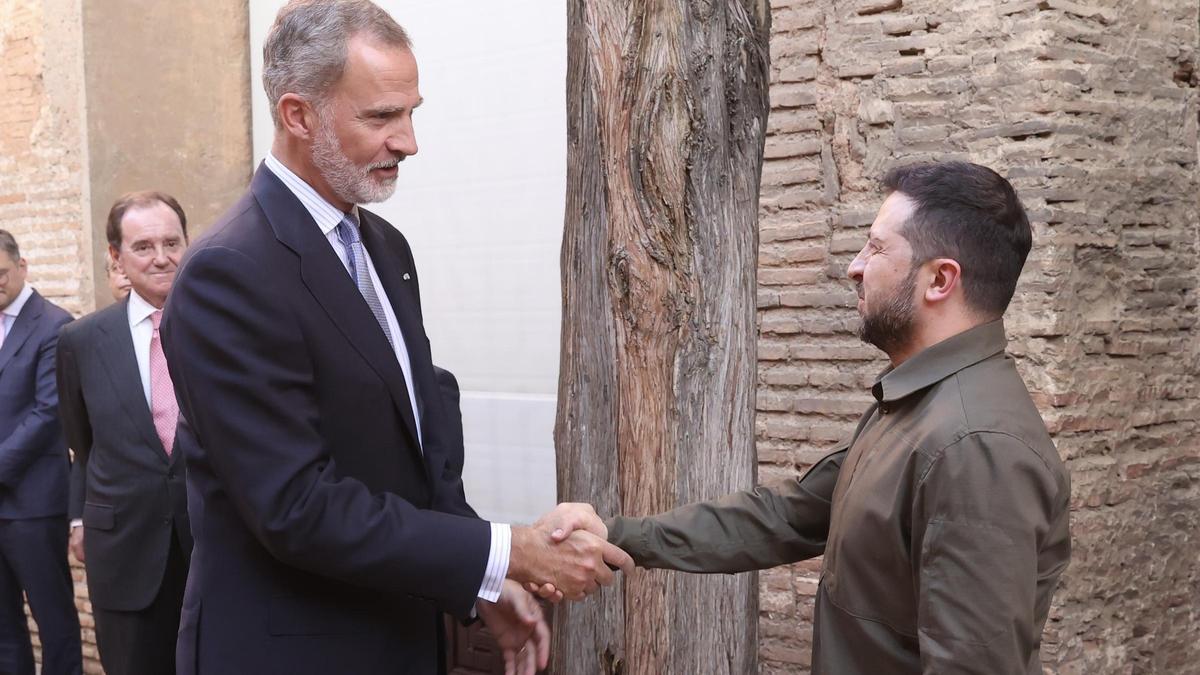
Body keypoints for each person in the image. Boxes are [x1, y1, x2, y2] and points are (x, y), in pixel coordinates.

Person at [160, 2, 629, 674]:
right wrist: (506, 551)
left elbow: (420, 456)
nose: (409, 140)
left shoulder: (384, 247)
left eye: (411, 112)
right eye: (381, 117)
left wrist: (478, 581)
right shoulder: (228, 274)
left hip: (400, 639)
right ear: (298, 116)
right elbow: (297, 506)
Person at [542, 161, 1072, 674]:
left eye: (877, 246)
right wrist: (617, 535)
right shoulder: (918, 405)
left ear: (940, 280)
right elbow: (789, 515)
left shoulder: (974, 445)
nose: (855, 265)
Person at [57, 192, 193, 675]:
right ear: (115, 256)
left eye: (172, 242)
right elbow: (83, 443)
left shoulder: (217, 328)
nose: (161, 257)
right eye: (143, 246)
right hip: (125, 557)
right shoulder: (81, 341)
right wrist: (79, 519)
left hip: (212, 549)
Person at [0, 230, 81, 675]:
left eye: (0, 274)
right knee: (4, 628)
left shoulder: (55, 324)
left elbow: (49, 412)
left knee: (55, 623)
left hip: (35, 503)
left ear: (23, 266)